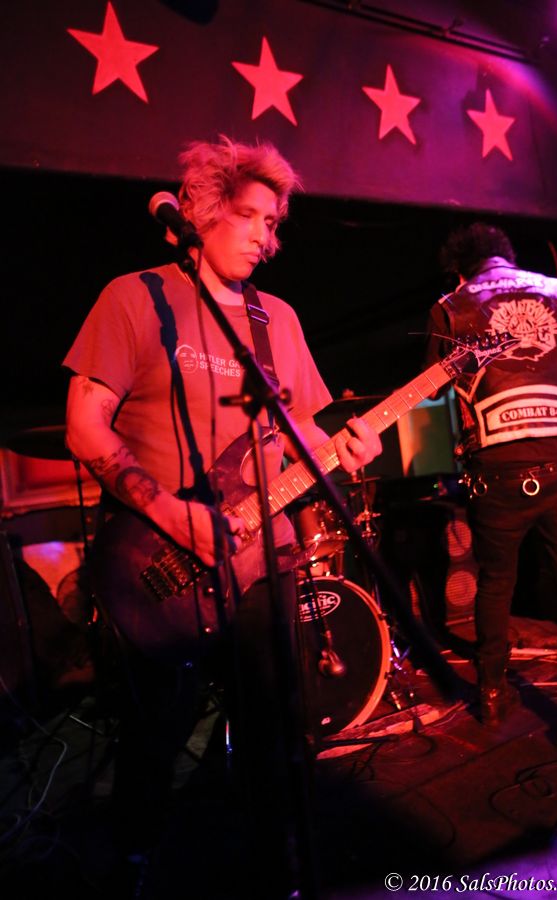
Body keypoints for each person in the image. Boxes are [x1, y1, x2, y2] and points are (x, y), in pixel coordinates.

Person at [63, 136, 381, 895]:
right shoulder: (135, 298)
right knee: (154, 734)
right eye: (249, 217)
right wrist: (172, 514)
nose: (265, 238)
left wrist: (345, 448)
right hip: (158, 567)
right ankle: (133, 863)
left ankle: (281, 871)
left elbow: (304, 435)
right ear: (202, 213)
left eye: (273, 223)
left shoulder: (278, 320)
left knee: (276, 731)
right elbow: (84, 426)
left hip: (264, 560)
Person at [425, 221, 557, 743]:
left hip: (497, 474)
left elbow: (436, 393)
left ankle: (492, 695)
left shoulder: (451, 306)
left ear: (461, 270)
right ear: (507, 257)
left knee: (496, 583)